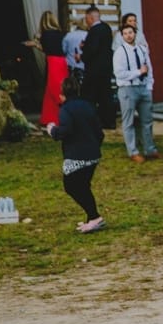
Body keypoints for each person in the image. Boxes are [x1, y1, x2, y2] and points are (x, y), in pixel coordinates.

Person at [46, 76, 106, 234]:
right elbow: (99, 132)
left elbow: (65, 131)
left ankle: (94, 217)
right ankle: (91, 217)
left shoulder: (65, 110)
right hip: (93, 154)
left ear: (62, 94)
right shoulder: (88, 106)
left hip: (76, 156)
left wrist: (52, 130)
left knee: (71, 186)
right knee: (83, 186)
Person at [112, 24, 161, 162]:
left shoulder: (142, 49)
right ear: (122, 36)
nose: (128, 35)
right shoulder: (120, 52)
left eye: (131, 32)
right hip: (127, 89)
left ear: (135, 34)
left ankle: (150, 149)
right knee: (128, 122)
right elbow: (119, 74)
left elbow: (149, 68)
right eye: (125, 33)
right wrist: (138, 72)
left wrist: (149, 86)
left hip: (143, 88)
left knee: (147, 121)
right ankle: (133, 152)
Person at [24, 10, 68, 127]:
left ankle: (54, 116)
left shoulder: (46, 34)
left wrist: (34, 44)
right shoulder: (60, 33)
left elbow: (46, 49)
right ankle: (50, 117)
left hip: (53, 61)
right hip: (62, 61)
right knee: (57, 88)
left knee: (53, 89)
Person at [80, 5, 116, 129]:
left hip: (94, 69)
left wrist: (82, 55)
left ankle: (92, 121)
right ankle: (109, 121)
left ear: (90, 18)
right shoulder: (106, 28)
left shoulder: (94, 31)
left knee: (90, 95)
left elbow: (93, 49)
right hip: (106, 67)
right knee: (106, 95)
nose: (86, 22)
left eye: (86, 19)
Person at [62, 17, 88, 85]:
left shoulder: (69, 35)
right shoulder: (88, 35)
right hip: (84, 66)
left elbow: (63, 51)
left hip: (70, 66)